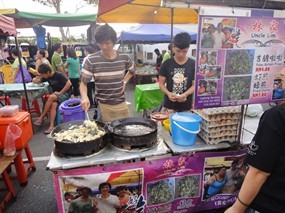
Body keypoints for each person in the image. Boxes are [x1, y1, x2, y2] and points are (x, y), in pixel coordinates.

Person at [225, 67, 285, 213]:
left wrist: (237, 208)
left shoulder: (276, 117)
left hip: (269, 204)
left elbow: (259, 172)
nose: (282, 72)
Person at [80, 24, 135, 123]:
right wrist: (85, 97)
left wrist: (125, 82)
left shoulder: (124, 57)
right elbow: (83, 83)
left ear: (114, 41)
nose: (104, 47)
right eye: (100, 43)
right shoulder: (91, 60)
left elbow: (132, 71)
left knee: (125, 131)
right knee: (106, 134)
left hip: (121, 103)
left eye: (107, 43)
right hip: (103, 105)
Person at [159, 32, 195, 113]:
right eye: (178, 51)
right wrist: (168, 93)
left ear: (188, 48)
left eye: (184, 51)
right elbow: (161, 83)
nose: (181, 54)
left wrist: (184, 94)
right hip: (169, 105)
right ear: (173, 47)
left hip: (186, 106)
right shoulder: (166, 64)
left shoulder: (193, 64)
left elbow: (194, 85)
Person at [33, 63, 72, 134]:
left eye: (43, 74)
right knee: (54, 104)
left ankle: (41, 117)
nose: (42, 76)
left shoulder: (58, 75)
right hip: (56, 96)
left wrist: (60, 92)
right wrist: (34, 80)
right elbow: (39, 81)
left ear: (48, 72)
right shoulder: (46, 77)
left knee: (51, 97)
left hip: (65, 94)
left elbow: (69, 83)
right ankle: (51, 126)